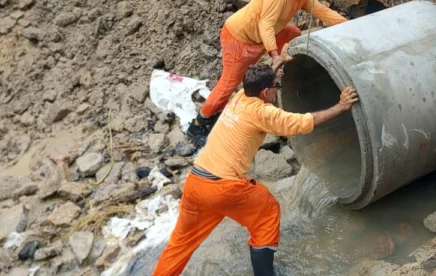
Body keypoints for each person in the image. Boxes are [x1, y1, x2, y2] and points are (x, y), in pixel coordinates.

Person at [152, 63, 360, 276]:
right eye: (276, 86)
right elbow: (304, 122)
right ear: (265, 92)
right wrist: (341, 106)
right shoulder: (262, 112)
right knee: (267, 214)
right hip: (222, 186)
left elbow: (258, 79)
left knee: (180, 243)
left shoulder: (240, 96)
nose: (277, 90)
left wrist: (276, 65)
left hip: (196, 181)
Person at [186, 0, 347, 146]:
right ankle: (199, 124)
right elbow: (266, 25)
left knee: (293, 32)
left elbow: (324, 13)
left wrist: (350, 25)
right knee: (229, 83)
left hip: (260, 36)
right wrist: (274, 54)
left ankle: (285, 70)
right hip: (239, 38)